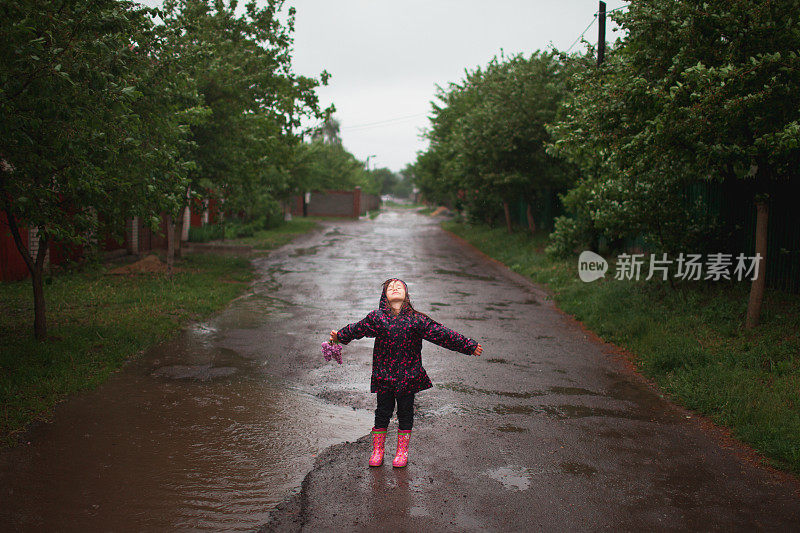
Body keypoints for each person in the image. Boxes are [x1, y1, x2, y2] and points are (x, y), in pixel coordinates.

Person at [329, 278, 483, 468]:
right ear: (384, 296)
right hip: (384, 375)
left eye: (399, 287)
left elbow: (442, 334)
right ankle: (378, 451)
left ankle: (402, 452)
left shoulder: (417, 319)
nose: (394, 288)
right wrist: (340, 336)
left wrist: (468, 345)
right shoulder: (377, 318)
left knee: (405, 413)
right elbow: (357, 329)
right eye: (390, 287)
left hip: (408, 377)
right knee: (382, 413)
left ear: (406, 295)